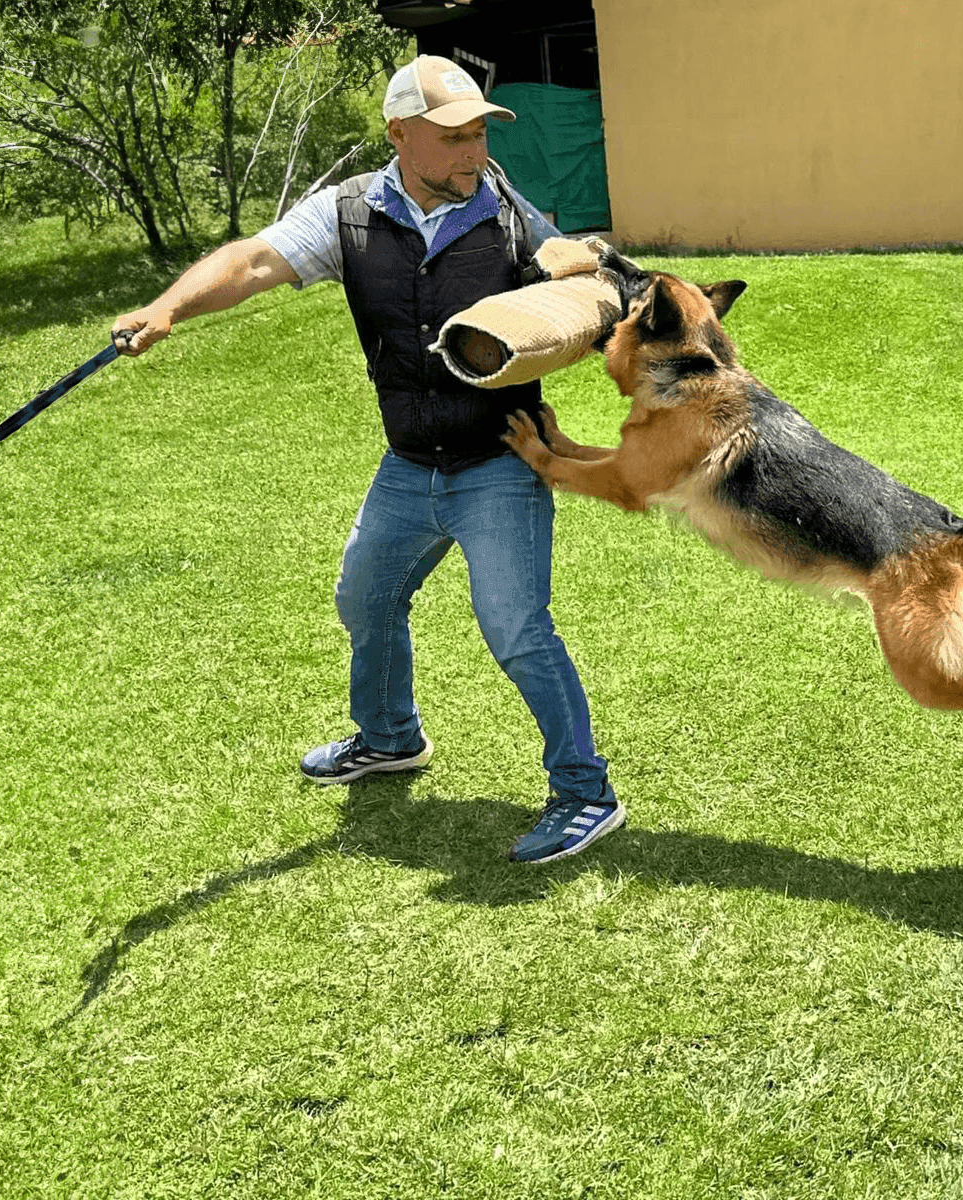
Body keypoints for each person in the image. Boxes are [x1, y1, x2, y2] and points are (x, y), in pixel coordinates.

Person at [111, 57, 622, 865]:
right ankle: (389, 739)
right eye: (453, 136)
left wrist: (582, 265)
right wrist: (168, 307)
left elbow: (581, 281)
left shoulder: (505, 208)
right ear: (400, 135)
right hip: (408, 463)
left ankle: (586, 792)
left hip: (500, 460)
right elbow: (250, 261)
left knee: (517, 630)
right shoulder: (347, 214)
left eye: (480, 131)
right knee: (366, 597)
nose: (473, 150)